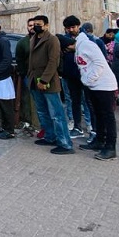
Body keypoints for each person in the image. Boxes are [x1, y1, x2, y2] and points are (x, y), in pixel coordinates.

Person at [71, 17, 118, 161]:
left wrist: (88, 79)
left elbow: (100, 63)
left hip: (104, 85)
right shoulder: (80, 46)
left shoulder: (87, 45)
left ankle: (110, 147)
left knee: (107, 116)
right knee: (97, 114)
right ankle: (99, 141)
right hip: (93, 86)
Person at [28, 15, 74, 154]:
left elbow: (53, 61)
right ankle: (50, 136)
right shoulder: (33, 39)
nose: (36, 26)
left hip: (48, 82)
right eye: (34, 24)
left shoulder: (52, 40)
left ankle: (65, 143)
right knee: (42, 111)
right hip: (34, 81)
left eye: (39, 24)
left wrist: (44, 80)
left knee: (57, 114)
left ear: (46, 25)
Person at [61, 16, 91, 140]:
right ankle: (76, 126)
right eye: (68, 28)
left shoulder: (87, 39)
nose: (71, 30)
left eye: (73, 27)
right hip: (70, 76)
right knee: (74, 102)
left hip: (85, 75)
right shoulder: (65, 39)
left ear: (78, 26)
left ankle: (90, 125)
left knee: (88, 102)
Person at [15, 18, 40, 133]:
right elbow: (19, 59)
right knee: (28, 99)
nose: (32, 27)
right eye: (29, 25)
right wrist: (23, 72)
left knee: (41, 100)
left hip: (42, 76)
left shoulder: (42, 40)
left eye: (34, 25)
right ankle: (28, 121)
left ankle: (41, 123)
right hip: (27, 76)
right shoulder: (22, 42)